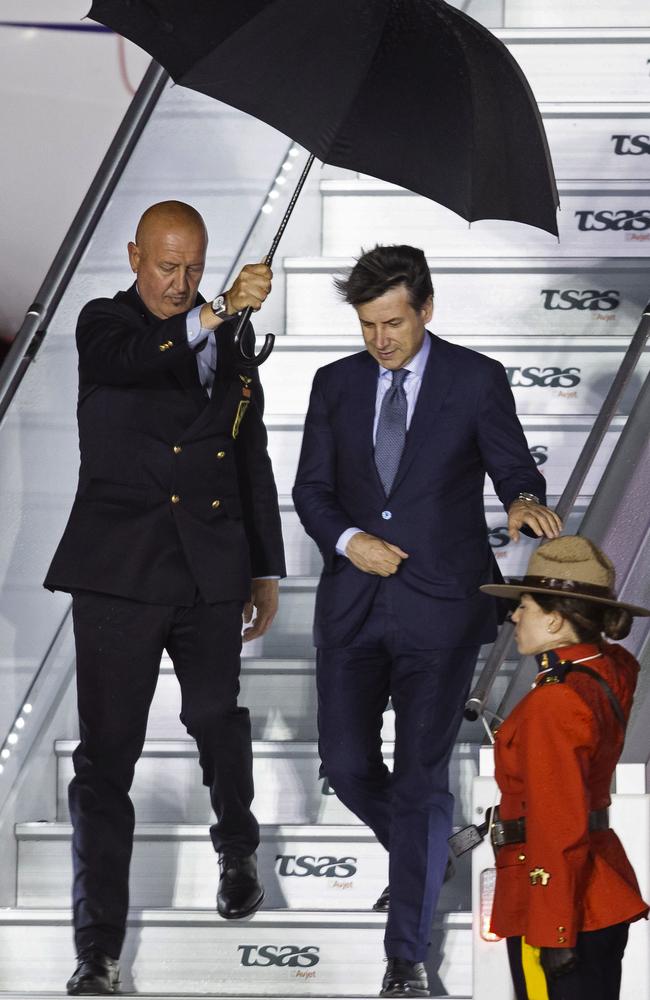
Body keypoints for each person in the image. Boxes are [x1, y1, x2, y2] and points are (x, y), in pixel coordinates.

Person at [292, 244, 562, 997]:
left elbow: (513, 465)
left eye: (393, 322)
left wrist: (519, 500)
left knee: (419, 779)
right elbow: (312, 490)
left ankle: (405, 959)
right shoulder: (334, 384)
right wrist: (351, 541)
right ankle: (429, 848)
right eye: (368, 323)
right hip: (352, 608)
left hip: (441, 609)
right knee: (346, 767)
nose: (380, 338)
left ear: (426, 309)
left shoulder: (476, 379)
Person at [44, 200, 286, 995]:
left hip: (211, 569)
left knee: (217, 715)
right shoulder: (101, 326)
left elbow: (247, 455)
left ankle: (237, 844)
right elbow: (142, 360)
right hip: (119, 572)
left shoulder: (230, 341)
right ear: (135, 257)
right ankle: (98, 947)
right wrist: (219, 313)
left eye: (194, 269)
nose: (181, 284)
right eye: (166, 267)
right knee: (107, 759)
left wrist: (264, 569)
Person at [480, 535, 649, 1000]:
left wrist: (553, 928)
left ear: (554, 619)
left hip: (558, 903)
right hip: (596, 887)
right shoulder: (607, 668)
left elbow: (557, 822)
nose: (514, 615)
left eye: (526, 606)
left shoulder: (555, 700)